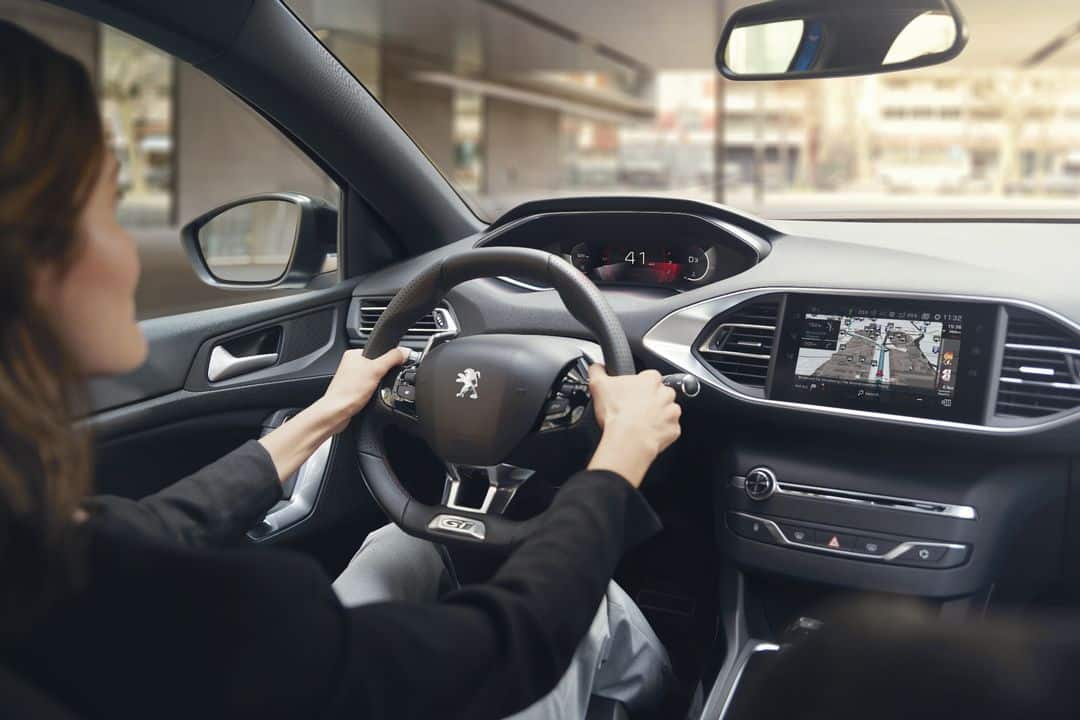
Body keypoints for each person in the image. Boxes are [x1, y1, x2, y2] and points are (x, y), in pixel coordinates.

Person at [0, 21, 679, 720]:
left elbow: (135, 535)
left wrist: (326, 413)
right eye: (110, 209)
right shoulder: (224, 619)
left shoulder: (41, 559)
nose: (131, 255)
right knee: (583, 613)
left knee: (402, 541)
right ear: (30, 255)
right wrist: (616, 461)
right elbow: (510, 646)